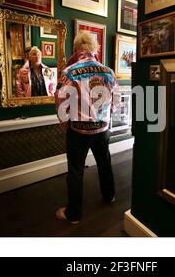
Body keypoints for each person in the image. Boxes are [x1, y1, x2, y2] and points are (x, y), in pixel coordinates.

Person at [54, 32, 120, 224]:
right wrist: (106, 116)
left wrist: (64, 122)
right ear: (94, 48)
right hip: (102, 128)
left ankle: (73, 214)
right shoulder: (108, 71)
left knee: (76, 170)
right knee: (104, 162)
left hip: (79, 130)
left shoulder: (69, 72)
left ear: (76, 49)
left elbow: (59, 100)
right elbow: (116, 99)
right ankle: (110, 196)